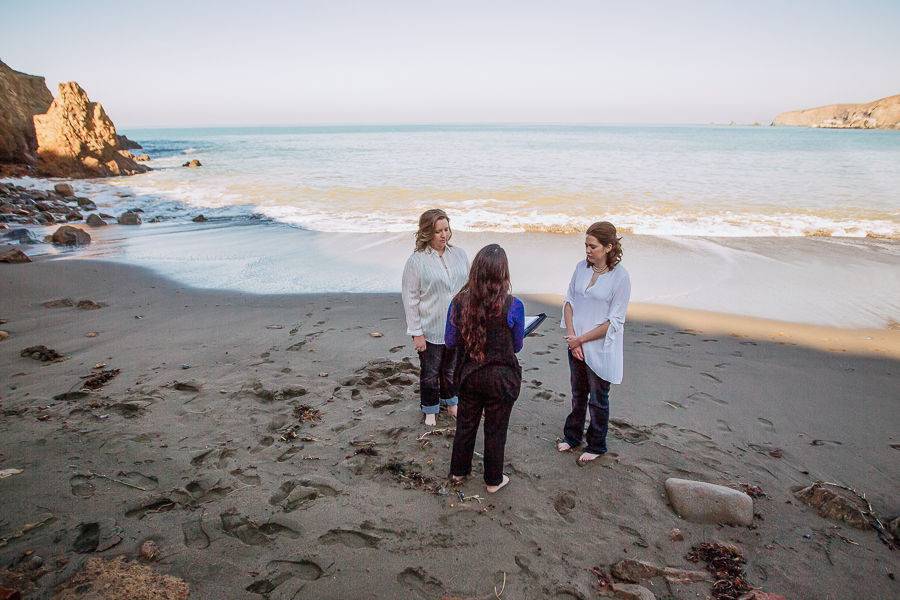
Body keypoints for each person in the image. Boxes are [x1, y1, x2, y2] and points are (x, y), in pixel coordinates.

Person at [445, 244, 524, 493]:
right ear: (504, 274)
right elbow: (518, 346)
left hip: (470, 375)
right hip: (502, 377)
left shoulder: (459, 303)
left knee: (466, 425)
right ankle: (493, 480)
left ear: (475, 271)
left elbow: (450, 341)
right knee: (495, 429)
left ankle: (458, 472)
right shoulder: (514, 305)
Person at [557, 221, 631, 463]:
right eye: (586, 245)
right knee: (578, 393)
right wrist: (572, 339)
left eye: (593, 246)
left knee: (598, 398)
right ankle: (572, 436)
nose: (588, 251)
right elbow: (569, 301)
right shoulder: (581, 268)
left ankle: (597, 444)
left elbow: (614, 322)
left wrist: (582, 339)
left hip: (600, 347)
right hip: (575, 344)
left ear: (609, 247)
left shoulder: (620, 278)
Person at [401, 209, 469, 427]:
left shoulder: (459, 255)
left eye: (446, 229)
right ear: (427, 233)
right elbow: (410, 299)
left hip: (457, 326)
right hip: (430, 327)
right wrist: (416, 333)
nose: (443, 235)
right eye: (438, 231)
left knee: (452, 368)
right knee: (430, 372)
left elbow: (468, 289)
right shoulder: (416, 261)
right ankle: (430, 407)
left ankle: (451, 402)